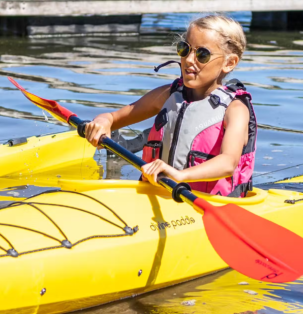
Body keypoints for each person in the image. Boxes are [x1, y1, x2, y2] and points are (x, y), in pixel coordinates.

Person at [83, 14, 257, 197]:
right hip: (156, 194)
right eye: (185, 49)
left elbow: (228, 163)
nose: (189, 60)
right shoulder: (167, 95)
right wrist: (101, 123)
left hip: (206, 204)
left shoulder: (235, 109)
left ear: (229, 63)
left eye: (202, 54)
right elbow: (113, 118)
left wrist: (180, 175)